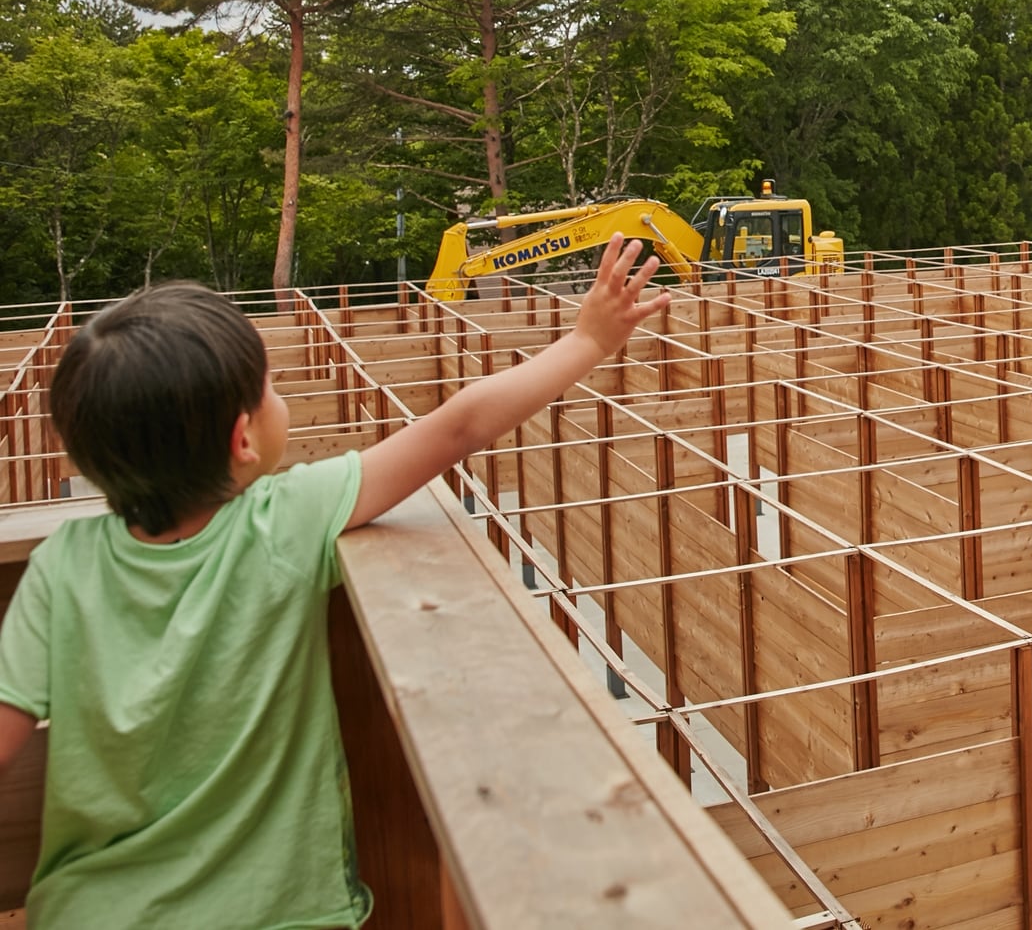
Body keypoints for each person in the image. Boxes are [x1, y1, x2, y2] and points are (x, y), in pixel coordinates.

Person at [0, 238, 668, 927]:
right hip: (282, 914)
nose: (278, 394)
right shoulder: (286, 519)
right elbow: (458, 427)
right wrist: (588, 340)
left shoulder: (62, 565)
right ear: (243, 440)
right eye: (270, 386)